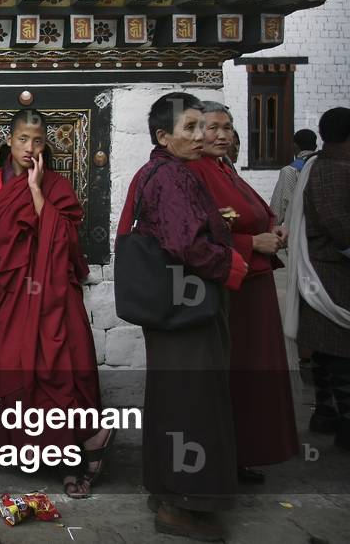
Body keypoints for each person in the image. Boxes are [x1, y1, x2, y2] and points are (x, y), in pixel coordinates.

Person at [0, 108, 111, 498]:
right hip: (14, 292)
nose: (30, 148)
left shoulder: (56, 185)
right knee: (18, 366)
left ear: (46, 144)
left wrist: (36, 191)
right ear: (9, 140)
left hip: (55, 294)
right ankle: (36, 450)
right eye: (23, 139)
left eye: (38, 141)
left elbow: (66, 240)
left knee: (63, 368)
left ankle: (72, 463)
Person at [117, 92, 248, 542]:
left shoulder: (156, 171)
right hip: (186, 308)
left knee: (174, 399)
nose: (200, 136)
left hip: (171, 307)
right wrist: (232, 265)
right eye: (189, 128)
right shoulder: (173, 177)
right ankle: (182, 505)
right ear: (163, 136)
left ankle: (167, 488)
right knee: (193, 404)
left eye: (201, 126)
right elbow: (185, 244)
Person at [186, 102, 298, 483]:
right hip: (231, 288)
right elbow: (196, 238)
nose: (221, 135)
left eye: (227, 127)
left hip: (254, 286)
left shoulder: (224, 168)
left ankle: (241, 453)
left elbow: (256, 212)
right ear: (196, 133)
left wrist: (274, 230)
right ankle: (223, 457)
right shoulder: (194, 173)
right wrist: (252, 244)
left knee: (253, 375)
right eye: (212, 127)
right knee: (234, 374)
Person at [284, 107, 350, 449]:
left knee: (328, 350)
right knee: (339, 352)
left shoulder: (327, 166)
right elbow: (338, 222)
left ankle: (326, 412)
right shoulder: (332, 169)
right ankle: (341, 420)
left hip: (327, 269)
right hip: (330, 272)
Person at [269, 128, 318, 225]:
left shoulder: (289, 171)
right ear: (315, 147)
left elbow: (277, 210)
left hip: (297, 230)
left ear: (294, 146)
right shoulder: (322, 167)